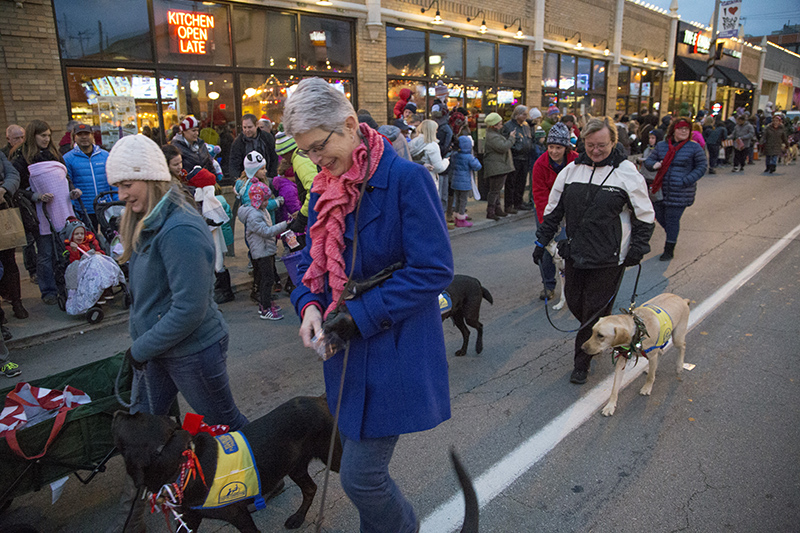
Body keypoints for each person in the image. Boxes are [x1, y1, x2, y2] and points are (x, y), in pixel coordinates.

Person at [283, 77, 453, 533]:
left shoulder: (407, 180)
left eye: (320, 146)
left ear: (350, 125)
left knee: (361, 478)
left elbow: (434, 270)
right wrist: (309, 307)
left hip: (392, 348)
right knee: (361, 477)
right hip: (345, 351)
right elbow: (308, 262)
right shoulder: (324, 188)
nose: (317, 160)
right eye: (307, 153)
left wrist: (357, 316)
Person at [105, 134, 248, 532]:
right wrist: (144, 346)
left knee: (223, 423)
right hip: (156, 352)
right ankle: (133, 520)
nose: (120, 194)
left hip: (193, 350)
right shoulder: (144, 222)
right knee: (145, 433)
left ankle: (263, 476)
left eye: (126, 184)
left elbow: (189, 308)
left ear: (150, 178)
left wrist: (140, 348)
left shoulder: (181, 228)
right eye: (116, 186)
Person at [533, 117, 655, 385]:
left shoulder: (626, 172)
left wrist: (638, 247)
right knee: (576, 304)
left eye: (601, 145)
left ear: (613, 141)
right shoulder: (571, 171)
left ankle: (581, 363)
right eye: (590, 145)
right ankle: (600, 336)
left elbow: (645, 215)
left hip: (609, 258)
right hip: (575, 254)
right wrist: (541, 242)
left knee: (592, 312)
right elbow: (553, 211)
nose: (595, 150)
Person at [12, 120, 82, 305]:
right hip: (40, 215)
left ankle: (67, 285)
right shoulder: (22, 159)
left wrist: (73, 190)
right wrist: (36, 196)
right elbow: (16, 188)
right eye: (43, 135)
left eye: (49, 135)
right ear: (33, 135)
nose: (46, 139)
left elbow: (65, 177)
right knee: (45, 254)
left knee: (65, 251)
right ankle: (48, 291)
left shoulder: (55, 155)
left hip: (63, 211)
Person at [644, 117, 707, 261]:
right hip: (660, 188)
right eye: (681, 128)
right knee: (658, 215)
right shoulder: (661, 146)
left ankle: (669, 248)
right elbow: (649, 160)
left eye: (687, 129)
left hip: (681, 190)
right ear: (674, 130)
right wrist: (654, 165)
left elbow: (702, 166)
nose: (684, 131)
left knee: (672, 219)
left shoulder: (694, 147)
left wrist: (686, 180)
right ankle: (672, 234)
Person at [531, 122, 579, 300]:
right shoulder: (540, 164)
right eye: (551, 147)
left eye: (558, 147)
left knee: (569, 247)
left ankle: (572, 285)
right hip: (548, 209)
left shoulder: (576, 161)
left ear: (565, 147)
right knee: (546, 247)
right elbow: (540, 195)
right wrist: (547, 224)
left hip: (570, 208)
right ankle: (548, 285)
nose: (554, 151)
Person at [237, 174, 289, 320]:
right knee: (267, 280)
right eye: (265, 199)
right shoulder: (254, 215)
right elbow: (266, 232)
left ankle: (265, 304)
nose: (268, 202)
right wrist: (285, 224)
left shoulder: (260, 210)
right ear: (258, 199)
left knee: (265, 279)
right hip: (262, 252)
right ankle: (265, 308)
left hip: (265, 250)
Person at [63, 123, 114, 227]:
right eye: (80, 134)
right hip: (84, 210)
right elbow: (67, 184)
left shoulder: (105, 155)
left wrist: (117, 202)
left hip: (106, 207)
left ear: (92, 135)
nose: (84, 137)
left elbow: (113, 181)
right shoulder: (68, 158)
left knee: (112, 239)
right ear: (74, 137)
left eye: (87, 133)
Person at [275, 132, 318, 249]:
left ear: (287, 152)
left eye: (283, 156)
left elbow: (314, 189)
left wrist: (302, 216)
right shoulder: (302, 155)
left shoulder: (300, 160)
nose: (284, 160)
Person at [0, 150, 28, 321]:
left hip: (3, 212)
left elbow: (13, 174)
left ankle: (16, 301)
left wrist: (3, 189)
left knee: (9, 261)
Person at [501, 104, 534, 213]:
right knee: (511, 182)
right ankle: (509, 204)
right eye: (524, 114)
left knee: (521, 181)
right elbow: (505, 140)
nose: (525, 116)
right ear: (517, 114)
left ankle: (518, 202)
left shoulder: (525, 126)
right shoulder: (508, 126)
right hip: (515, 157)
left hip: (525, 157)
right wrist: (516, 148)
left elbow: (529, 138)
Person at [483, 112, 514, 220]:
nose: (501, 126)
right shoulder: (492, 136)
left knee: (496, 189)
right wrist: (511, 138)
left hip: (498, 165)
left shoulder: (493, 134)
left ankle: (497, 209)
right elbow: (503, 147)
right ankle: (491, 211)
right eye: (500, 124)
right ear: (494, 125)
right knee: (495, 190)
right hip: (496, 166)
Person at [408, 119, 449, 198]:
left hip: (414, 178)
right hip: (429, 179)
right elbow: (438, 167)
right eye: (436, 130)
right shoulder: (433, 145)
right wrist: (446, 161)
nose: (437, 132)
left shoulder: (412, 143)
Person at [229, 114, 278, 179]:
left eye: (249, 127)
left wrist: (271, 177)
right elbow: (234, 163)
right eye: (244, 127)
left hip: (266, 177)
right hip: (246, 180)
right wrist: (237, 181)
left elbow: (274, 158)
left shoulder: (267, 138)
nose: (247, 130)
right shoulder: (238, 142)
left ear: (256, 125)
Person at [449, 136, 481, 228]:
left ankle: (456, 217)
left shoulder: (454, 155)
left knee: (457, 199)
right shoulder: (469, 157)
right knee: (463, 200)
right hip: (464, 182)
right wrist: (475, 158)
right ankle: (461, 219)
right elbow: (477, 166)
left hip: (455, 181)